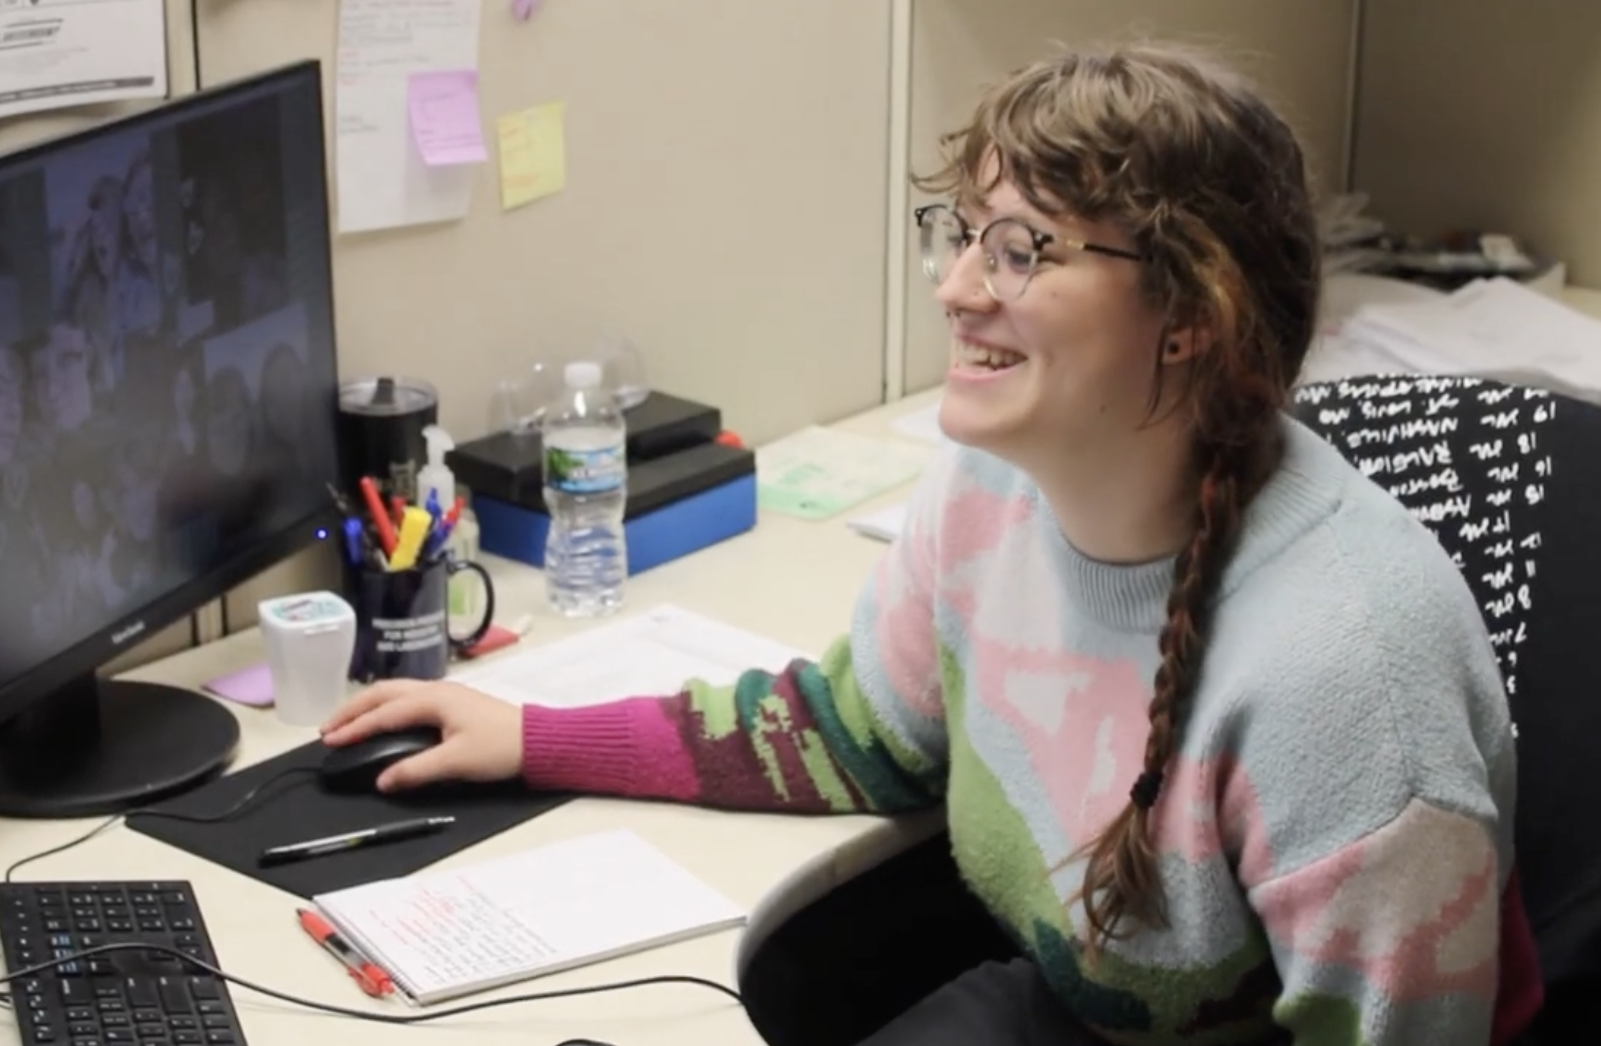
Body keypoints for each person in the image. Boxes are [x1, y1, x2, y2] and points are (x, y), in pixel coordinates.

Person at [318, 42, 1539, 1046]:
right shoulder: (985, 484)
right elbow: (853, 733)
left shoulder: (1342, 676)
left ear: (1188, 315)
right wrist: (532, 736)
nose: (956, 288)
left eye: (1019, 250)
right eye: (958, 235)